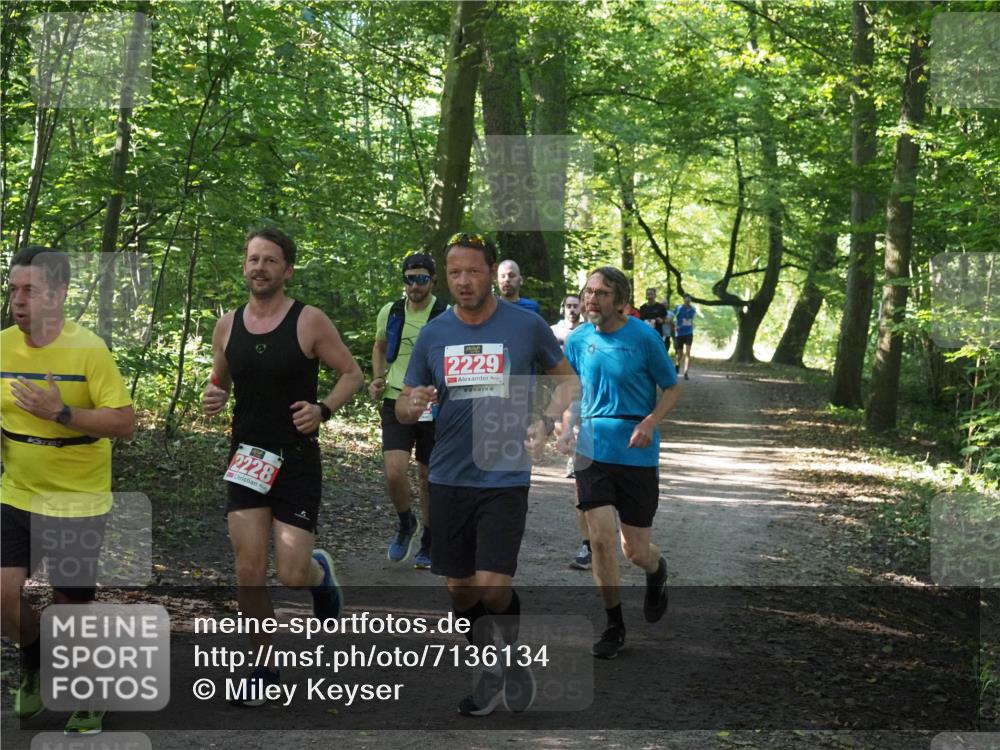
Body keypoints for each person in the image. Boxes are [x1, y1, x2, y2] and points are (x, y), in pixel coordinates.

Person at [397, 232, 578, 716]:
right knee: (459, 588)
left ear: (491, 272)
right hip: (448, 474)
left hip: (503, 470)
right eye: (454, 272)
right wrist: (409, 404)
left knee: (493, 585)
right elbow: (405, 404)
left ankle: (512, 655)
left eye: (472, 271)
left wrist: (542, 419)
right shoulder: (434, 333)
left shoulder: (525, 325)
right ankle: (494, 668)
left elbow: (568, 382)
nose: (462, 281)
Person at [202, 227, 363, 703]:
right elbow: (221, 382)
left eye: (270, 260)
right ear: (244, 265)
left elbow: (351, 372)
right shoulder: (227, 326)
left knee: (290, 573)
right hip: (247, 458)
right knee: (248, 569)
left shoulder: (309, 321)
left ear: (287, 270)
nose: (260, 268)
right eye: (253, 259)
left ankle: (318, 575)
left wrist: (324, 409)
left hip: (294, 460)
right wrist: (214, 395)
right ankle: (262, 667)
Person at [2, 246, 136, 735]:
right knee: (2, 595)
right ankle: (35, 661)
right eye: (13, 289)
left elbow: (124, 422)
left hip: (77, 500)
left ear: (58, 295)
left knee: (70, 605)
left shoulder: (89, 350)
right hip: (15, 493)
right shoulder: (0, 347)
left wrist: (61, 413)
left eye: (30, 290)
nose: (18, 300)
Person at [560, 266, 682, 660]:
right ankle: (613, 624)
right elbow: (572, 391)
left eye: (603, 293)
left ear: (621, 300)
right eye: (589, 291)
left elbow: (672, 386)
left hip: (636, 450)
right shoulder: (577, 340)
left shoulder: (644, 337)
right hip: (593, 448)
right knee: (600, 539)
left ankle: (656, 570)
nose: (592, 299)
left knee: (635, 550)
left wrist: (651, 420)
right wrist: (565, 427)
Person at [370, 253, 447, 569]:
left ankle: (429, 540)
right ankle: (406, 523)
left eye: (422, 279)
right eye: (409, 278)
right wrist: (377, 377)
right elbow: (379, 346)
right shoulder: (390, 311)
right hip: (395, 399)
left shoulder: (445, 314)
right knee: (393, 471)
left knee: (429, 476)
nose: (415, 285)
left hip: (432, 403)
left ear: (433, 280)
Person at [549, 294, 591, 570]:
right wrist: (558, 420)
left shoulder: (591, 335)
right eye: (570, 305)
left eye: (579, 305)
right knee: (583, 485)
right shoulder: (556, 334)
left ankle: (609, 536)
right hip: (575, 401)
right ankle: (588, 544)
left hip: (605, 412)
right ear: (563, 308)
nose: (574, 309)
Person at [674, 293, 696, 380]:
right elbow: (672, 315)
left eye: (689, 300)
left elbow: (691, 319)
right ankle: (677, 364)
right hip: (680, 333)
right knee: (680, 353)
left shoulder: (693, 309)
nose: (687, 301)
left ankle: (686, 372)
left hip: (689, 332)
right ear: (683, 300)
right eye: (686, 300)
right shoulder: (679, 308)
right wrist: (675, 325)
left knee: (688, 353)